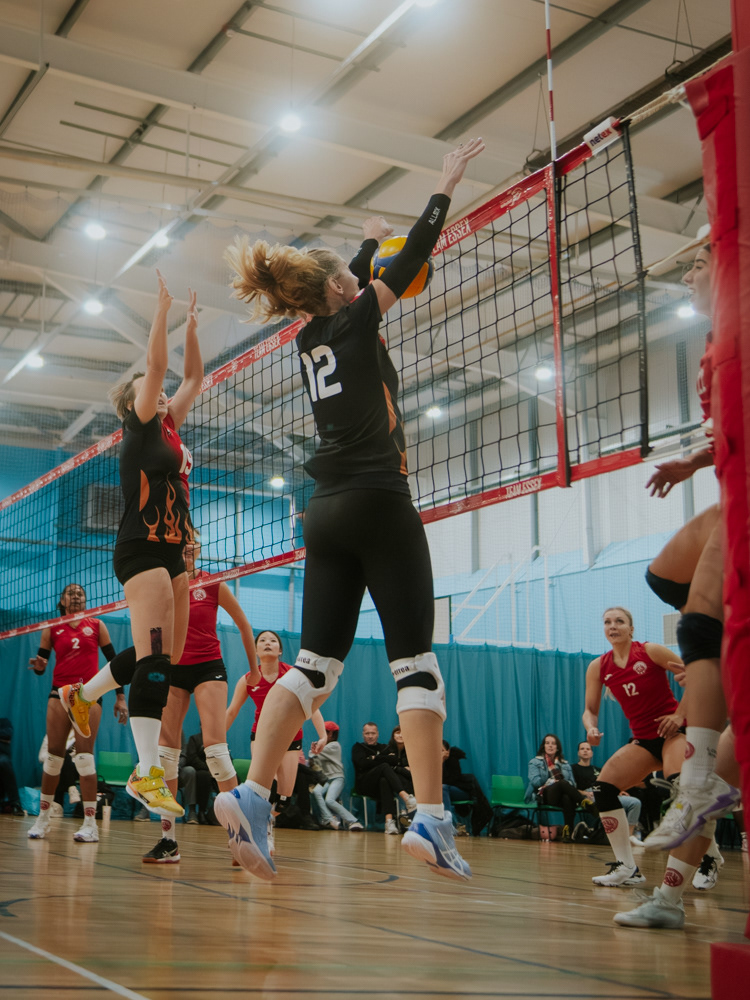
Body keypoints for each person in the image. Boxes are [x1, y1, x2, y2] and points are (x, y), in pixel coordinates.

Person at [215, 137, 485, 882]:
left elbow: (355, 279)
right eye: (351, 277)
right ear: (341, 289)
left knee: (311, 666)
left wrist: (363, 243)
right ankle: (430, 819)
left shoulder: (309, 335)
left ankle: (252, 795)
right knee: (416, 664)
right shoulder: (359, 317)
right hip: (378, 499)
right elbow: (410, 259)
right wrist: (443, 188)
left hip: (324, 510)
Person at [59, 274, 203, 818]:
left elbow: (193, 376)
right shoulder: (140, 426)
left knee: (163, 655)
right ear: (135, 402)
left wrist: (192, 326)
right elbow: (160, 369)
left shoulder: (169, 428)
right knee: (158, 659)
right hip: (141, 547)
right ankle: (147, 773)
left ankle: (83, 694)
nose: (161, 393)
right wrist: (161, 312)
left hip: (174, 552)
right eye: (150, 389)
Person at [641, 243, 740, 853]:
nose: (686, 274)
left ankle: (699, 781)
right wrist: (693, 462)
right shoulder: (713, 345)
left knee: (698, 623)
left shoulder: (740, 333)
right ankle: (727, 655)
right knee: (664, 577)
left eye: (698, 263)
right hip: (733, 484)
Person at [581, 605, 728, 922]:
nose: (613, 626)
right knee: (603, 788)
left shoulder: (649, 651)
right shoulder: (599, 666)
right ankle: (627, 868)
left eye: (619, 621)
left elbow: (694, 676)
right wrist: (591, 728)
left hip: (674, 731)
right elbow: (590, 710)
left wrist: (678, 714)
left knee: (681, 789)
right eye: (607, 622)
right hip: (644, 740)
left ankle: (709, 857)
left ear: (631, 628)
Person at [142, 536, 257, 863]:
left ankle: (241, 837)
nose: (188, 547)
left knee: (216, 750)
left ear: (198, 549)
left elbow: (244, 625)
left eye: (192, 542)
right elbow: (155, 631)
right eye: (183, 542)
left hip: (208, 668)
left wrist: (254, 671)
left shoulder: (213, 583)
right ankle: (169, 842)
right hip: (174, 668)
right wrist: (157, 665)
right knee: (167, 753)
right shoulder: (165, 585)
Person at [27, 582, 128, 841]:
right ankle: (43, 819)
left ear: (85, 600)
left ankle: (90, 824)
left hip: (88, 695)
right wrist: (39, 666)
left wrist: (120, 697)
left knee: (84, 758)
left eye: (80, 594)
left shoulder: (97, 625)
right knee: (53, 758)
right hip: (59, 693)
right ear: (62, 601)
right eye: (70, 593)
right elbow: (41, 664)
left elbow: (115, 663)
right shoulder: (52, 628)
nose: (76, 596)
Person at [225, 629, 326, 827]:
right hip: (261, 735)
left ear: (280, 650)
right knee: (265, 785)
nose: (267, 643)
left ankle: (268, 820)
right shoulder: (248, 679)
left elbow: (312, 708)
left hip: (291, 738)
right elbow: (231, 711)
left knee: (284, 800)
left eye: (273, 640)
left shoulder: (292, 675)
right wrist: (216, 741)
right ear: (256, 651)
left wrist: (323, 736)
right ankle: (256, 826)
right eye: (262, 640)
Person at [352, 722, 417, 835]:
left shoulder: (384, 747)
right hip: (365, 785)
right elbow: (362, 763)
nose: (370, 736)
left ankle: (389, 822)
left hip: (380, 787)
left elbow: (394, 760)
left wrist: (373, 758)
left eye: (373, 733)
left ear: (377, 734)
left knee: (384, 781)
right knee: (384, 766)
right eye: (367, 733)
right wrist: (383, 758)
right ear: (363, 734)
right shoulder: (358, 747)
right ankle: (406, 798)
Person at [525, 734, 592, 843]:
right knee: (561, 783)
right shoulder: (535, 762)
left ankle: (568, 832)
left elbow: (572, 784)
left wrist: (560, 782)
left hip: (560, 796)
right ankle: (583, 801)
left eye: (553, 743)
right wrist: (552, 781)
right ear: (543, 746)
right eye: (547, 743)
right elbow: (535, 782)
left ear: (557, 747)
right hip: (543, 795)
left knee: (567, 797)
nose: (550, 746)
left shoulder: (565, 764)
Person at [572, 741, 641, 844]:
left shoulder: (599, 770)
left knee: (635, 802)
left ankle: (629, 836)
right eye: (582, 749)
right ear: (578, 753)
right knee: (607, 804)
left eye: (588, 749)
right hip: (588, 796)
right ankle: (608, 834)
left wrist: (619, 791)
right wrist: (585, 793)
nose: (585, 751)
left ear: (592, 753)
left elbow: (608, 784)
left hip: (604, 793)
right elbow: (571, 789)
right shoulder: (573, 768)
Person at [309, 721, 363, 831]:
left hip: (337, 778)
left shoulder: (334, 746)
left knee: (329, 800)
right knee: (316, 792)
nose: (322, 734)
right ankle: (329, 819)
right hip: (326, 779)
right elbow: (313, 758)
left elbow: (313, 753)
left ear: (331, 734)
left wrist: (314, 751)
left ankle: (353, 821)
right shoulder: (324, 747)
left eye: (325, 732)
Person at [441, 740, 493, 837]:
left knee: (442, 788)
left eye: (442, 750)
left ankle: (449, 825)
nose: (440, 753)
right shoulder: (432, 762)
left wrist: (442, 761)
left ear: (448, 751)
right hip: (444, 792)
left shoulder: (453, 759)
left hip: (461, 790)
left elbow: (451, 780)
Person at [0, 718, 24, 816]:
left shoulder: (4, 722)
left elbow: (7, 733)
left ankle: (16, 804)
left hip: (2, 757)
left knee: (3, 762)